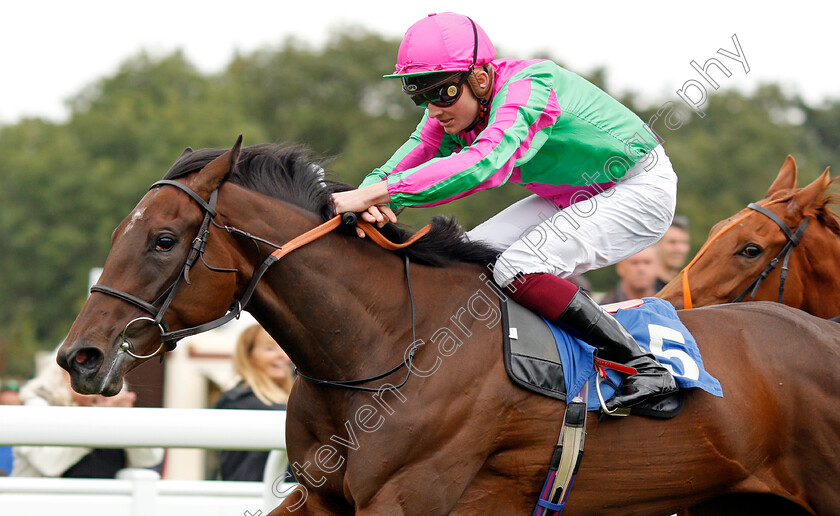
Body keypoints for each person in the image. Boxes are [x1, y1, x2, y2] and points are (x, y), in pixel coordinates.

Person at [330, 12, 678, 411]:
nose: (434, 109)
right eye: (421, 97)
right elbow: (413, 155)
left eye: (442, 94)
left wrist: (382, 193)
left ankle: (645, 368)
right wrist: (367, 194)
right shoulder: (453, 111)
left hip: (637, 186)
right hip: (571, 194)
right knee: (463, 258)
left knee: (516, 267)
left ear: (480, 77)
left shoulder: (529, 87)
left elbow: (486, 162)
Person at [11, 357, 164, 478]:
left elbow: (149, 459)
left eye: (98, 369)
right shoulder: (39, 403)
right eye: (79, 369)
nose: (88, 377)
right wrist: (100, 420)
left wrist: (124, 420)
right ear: (61, 373)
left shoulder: (113, 407)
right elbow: (48, 463)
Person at [214, 325, 294, 481]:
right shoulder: (237, 401)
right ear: (249, 356)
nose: (282, 356)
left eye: (284, 348)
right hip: (255, 497)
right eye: (270, 349)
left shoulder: (293, 399)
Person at [653, 215, 691, 292]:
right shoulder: (643, 289)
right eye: (672, 242)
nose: (679, 249)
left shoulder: (688, 289)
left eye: (684, 242)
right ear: (656, 244)